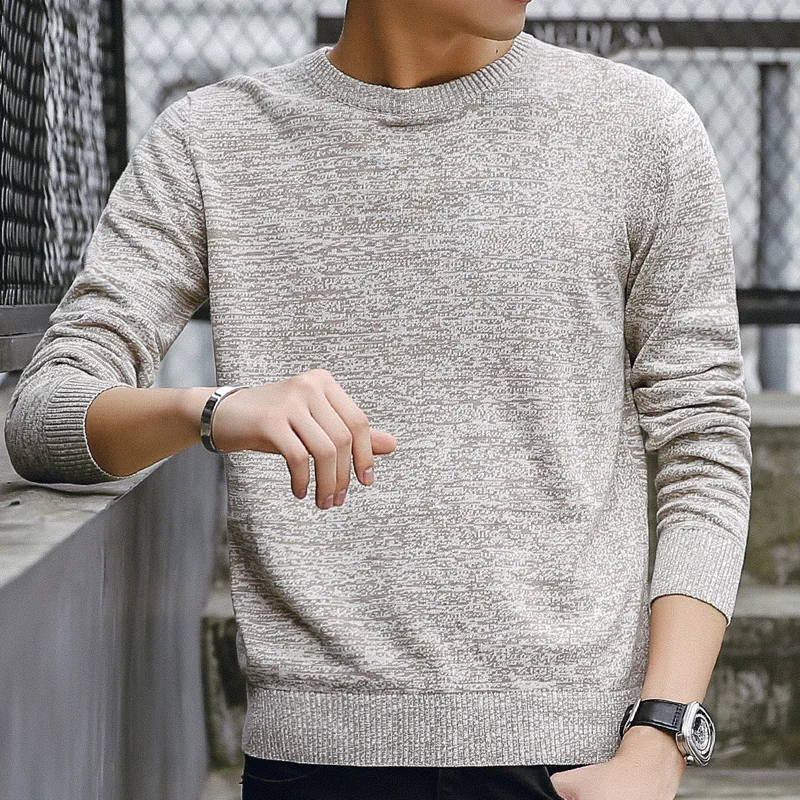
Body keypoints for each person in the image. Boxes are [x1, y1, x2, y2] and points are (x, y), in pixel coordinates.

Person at [4, 0, 752, 798]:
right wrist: (214, 413)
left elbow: (704, 446)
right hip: (316, 761)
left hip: (578, 759)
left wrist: (661, 740)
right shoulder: (212, 140)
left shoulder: (639, 129)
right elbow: (44, 412)